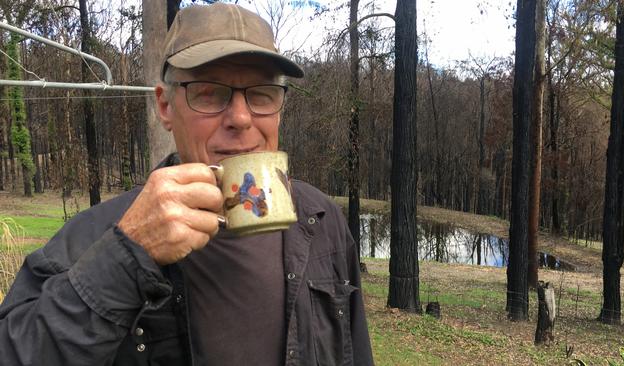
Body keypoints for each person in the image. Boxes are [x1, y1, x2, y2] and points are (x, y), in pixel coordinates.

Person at [0, 3, 373, 365]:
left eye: (261, 93)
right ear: (165, 107)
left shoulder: (321, 221)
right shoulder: (93, 237)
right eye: (209, 93)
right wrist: (129, 255)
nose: (241, 118)